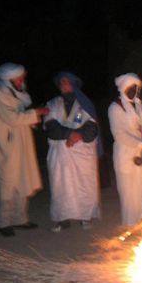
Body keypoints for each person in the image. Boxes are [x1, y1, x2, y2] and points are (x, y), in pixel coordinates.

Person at [0, 63, 49, 237]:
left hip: (22, 145)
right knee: (8, 183)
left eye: (22, 78)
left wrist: (34, 118)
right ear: (8, 80)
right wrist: (36, 113)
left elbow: (22, 115)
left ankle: (20, 219)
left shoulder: (16, 94)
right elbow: (12, 118)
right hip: (7, 148)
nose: (22, 81)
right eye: (18, 79)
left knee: (23, 180)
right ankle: (4, 221)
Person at [44, 72, 101, 232]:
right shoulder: (52, 104)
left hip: (82, 154)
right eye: (61, 83)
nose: (63, 85)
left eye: (67, 83)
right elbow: (51, 127)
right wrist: (70, 134)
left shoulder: (85, 104)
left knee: (84, 185)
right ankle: (63, 219)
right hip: (60, 154)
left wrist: (78, 135)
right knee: (61, 186)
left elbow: (92, 127)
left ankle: (85, 217)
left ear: (74, 85)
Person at [108, 73, 142, 227]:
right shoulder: (115, 107)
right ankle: (131, 222)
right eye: (131, 88)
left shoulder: (139, 105)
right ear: (123, 88)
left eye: (136, 88)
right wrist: (141, 145)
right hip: (125, 152)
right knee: (129, 190)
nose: (134, 91)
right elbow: (119, 134)